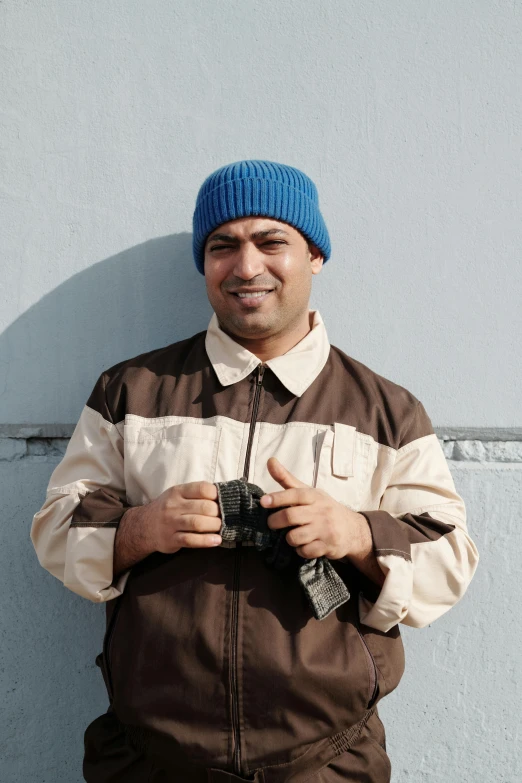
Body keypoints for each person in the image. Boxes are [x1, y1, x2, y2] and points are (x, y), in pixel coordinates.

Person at [30, 160, 479, 783]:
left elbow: (450, 563)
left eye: (272, 242)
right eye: (223, 246)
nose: (246, 267)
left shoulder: (387, 411)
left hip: (327, 763)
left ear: (314, 255)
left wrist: (355, 534)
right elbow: (55, 527)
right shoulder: (129, 390)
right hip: (149, 761)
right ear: (204, 262)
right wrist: (142, 529)